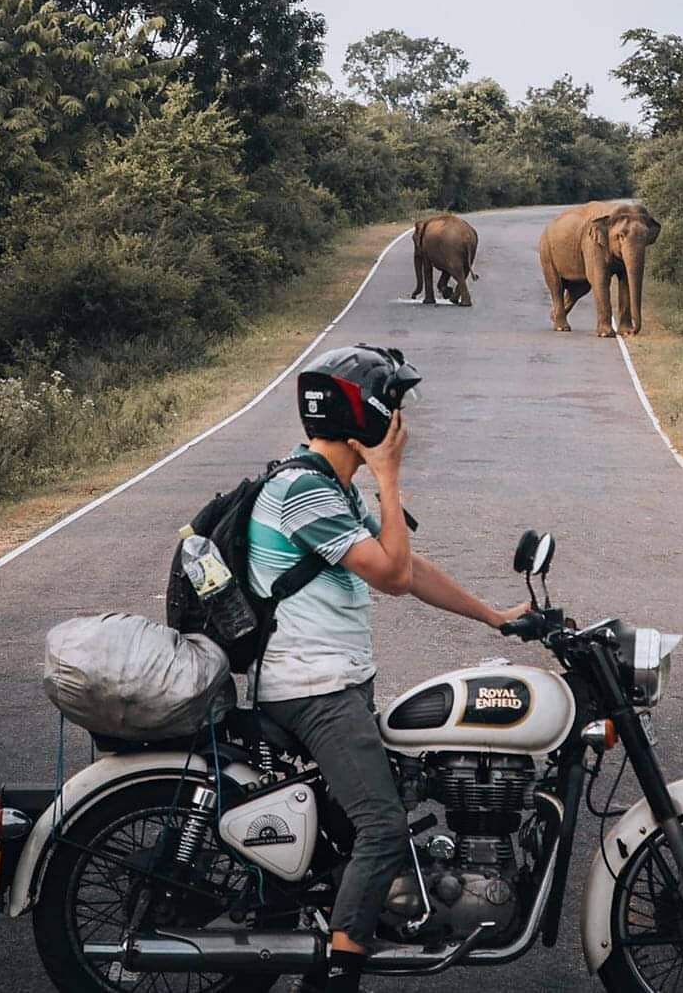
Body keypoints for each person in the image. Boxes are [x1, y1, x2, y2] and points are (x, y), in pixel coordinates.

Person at [249, 343, 528, 992]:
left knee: (394, 795)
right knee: (381, 827)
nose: (402, 421)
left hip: (334, 683)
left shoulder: (328, 490)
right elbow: (395, 573)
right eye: (394, 407)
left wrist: (494, 617)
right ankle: (336, 976)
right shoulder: (301, 492)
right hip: (312, 690)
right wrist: (389, 476)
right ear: (368, 417)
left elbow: (413, 565)